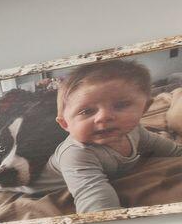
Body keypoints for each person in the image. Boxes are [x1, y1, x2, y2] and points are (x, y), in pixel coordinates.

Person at [51, 59, 182, 214]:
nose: (104, 117)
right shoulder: (76, 154)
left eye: (121, 105)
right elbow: (98, 209)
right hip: (47, 186)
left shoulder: (135, 132)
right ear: (65, 123)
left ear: (145, 108)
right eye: (87, 111)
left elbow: (173, 151)